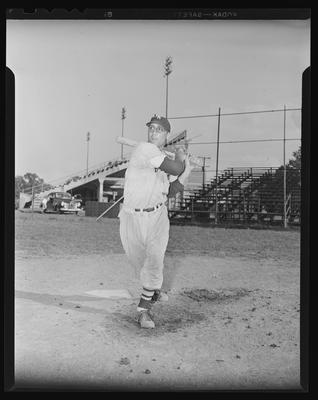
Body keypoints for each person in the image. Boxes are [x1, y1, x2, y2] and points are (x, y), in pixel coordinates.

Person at [118, 114, 193, 329]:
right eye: (151, 128)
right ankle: (153, 289)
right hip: (131, 217)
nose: (153, 132)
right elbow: (175, 168)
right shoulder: (145, 149)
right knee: (139, 265)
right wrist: (180, 157)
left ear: (167, 134)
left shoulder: (161, 158)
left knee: (153, 262)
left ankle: (144, 311)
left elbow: (170, 191)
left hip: (157, 217)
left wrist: (186, 173)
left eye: (159, 129)